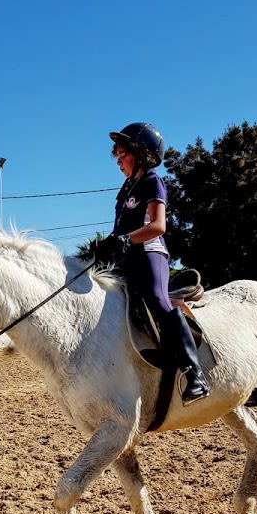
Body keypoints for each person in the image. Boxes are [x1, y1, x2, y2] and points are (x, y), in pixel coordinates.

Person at [97, 122, 209, 405]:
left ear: (141, 154)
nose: (118, 160)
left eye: (123, 154)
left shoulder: (152, 181)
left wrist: (125, 240)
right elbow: (119, 230)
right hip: (125, 259)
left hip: (149, 254)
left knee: (158, 300)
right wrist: (107, 246)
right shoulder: (126, 189)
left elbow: (158, 226)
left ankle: (194, 374)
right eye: (117, 155)